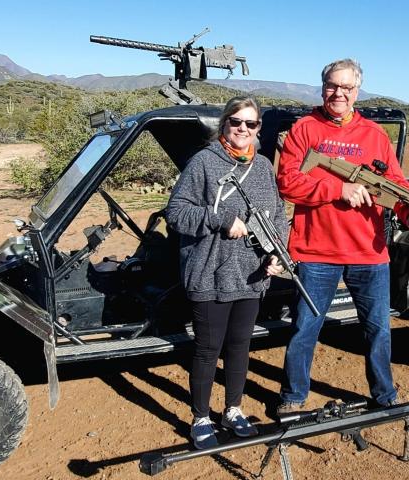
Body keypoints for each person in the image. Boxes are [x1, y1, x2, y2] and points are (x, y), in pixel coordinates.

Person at [276, 58, 409, 414]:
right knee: (305, 327)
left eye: (347, 88)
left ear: (357, 91)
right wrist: (339, 190)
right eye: (333, 86)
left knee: (378, 330)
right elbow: (288, 182)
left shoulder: (374, 135)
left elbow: (394, 185)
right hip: (316, 251)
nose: (339, 93)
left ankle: (384, 396)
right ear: (323, 88)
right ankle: (293, 398)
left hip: (369, 252)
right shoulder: (305, 129)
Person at [166, 96, 287, 449]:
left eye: (251, 124)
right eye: (237, 122)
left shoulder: (263, 167)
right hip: (210, 273)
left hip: (251, 275)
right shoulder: (203, 163)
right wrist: (219, 219)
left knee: (239, 347)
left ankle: (232, 410)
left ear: (258, 129)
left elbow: (277, 215)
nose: (243, 129)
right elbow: (176, 212)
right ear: (224, 124)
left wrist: (277, 254)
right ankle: (201, 417)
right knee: (207, 349)